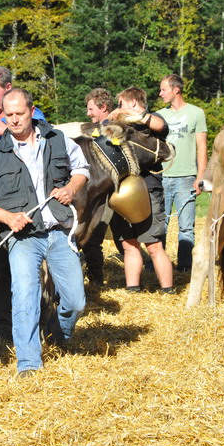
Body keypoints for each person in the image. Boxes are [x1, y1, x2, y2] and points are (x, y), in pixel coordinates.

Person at [0, 88, 89, 376]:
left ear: (32, 111)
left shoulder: (58, 139)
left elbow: (82, 169)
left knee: (76, 301)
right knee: (25, 295)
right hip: (22, 238)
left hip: (59, 231)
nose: (14, 120)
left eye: (19, 113)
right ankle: (28, 363)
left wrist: (71, 188)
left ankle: (57, 334)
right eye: (8, 114)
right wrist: (6, 217)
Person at [0, 65, 45, 341]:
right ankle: (2, 323)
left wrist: (4, 126)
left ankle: (39, 319)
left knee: (31, 265)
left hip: (23, 200)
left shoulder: (28, 111)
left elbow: (42, 136)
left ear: (8, 88)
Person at [106, 87, 173, 292]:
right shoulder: (119, 125)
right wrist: (110, 119)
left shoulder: (152, 120)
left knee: (153, 245)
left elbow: (161, 126)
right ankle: (133, 288)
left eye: (121, 103)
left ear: (133, 102)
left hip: (148, 190)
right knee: (129, 244)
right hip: (121, 192)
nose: (118, 108)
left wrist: (131, 114)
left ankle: (168, 291)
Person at [158, 74, 208, 272]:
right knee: (160, 226)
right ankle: (158, 266)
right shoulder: (158, 116)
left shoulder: (196, 113)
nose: (160, 93)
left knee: (186, 227)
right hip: (161, 177)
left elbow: (202, 146)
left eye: (164, 90)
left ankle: (185, 268)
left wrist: (200, 176)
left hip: (186, 177)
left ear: (176, 89)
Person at [82, 87, 116, 284]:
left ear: (103, 107)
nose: (88, 113)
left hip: (111, 193)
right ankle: (95, 278)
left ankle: (96, 280)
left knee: (94, 236)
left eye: (91, 109)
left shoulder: (113, 130)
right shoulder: (96, 130)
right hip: (99, 190)